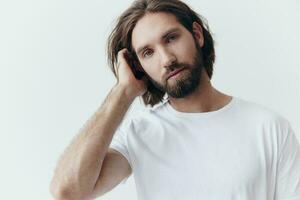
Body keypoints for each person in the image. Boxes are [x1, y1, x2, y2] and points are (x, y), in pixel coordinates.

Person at [49, 0, 300, 200]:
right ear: (139, 67)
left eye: (171, 38)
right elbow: (69, 191)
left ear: (197, 35)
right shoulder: (140, 134)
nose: (166, 58)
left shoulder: (269, 127)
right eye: (148, 53)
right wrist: (122, 92)